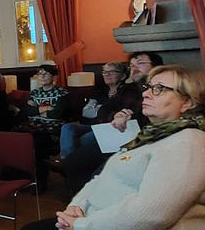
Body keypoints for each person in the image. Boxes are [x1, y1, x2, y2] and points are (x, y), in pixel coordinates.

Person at [17, 65, 205, 230]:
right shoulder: (152, 135)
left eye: (159, 89)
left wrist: (80, 227)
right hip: (106, 220)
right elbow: (102, 179)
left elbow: (148, 216)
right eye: (148, 87)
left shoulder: (188, 143)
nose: (145, 93)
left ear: (188, 102)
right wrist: (75, 207)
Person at [62, 52, 163, 193]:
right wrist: (116, 115)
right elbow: (103, 110)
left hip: (136, 141)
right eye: (132, 65)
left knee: (96, 174)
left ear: (156, 67)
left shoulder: (160, 91)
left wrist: (128, 117)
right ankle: (78, 202)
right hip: (116, 134)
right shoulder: (128, 89)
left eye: (140, 64)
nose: (134, 68)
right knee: (70, 162)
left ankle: (89, 200)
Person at [58, 62, 131, 159]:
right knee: (67, 127)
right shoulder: (99, 92)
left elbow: (121, 113)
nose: (107, 75)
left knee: (82, 140)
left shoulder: (126, 92)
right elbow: (87, 112)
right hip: (93, 126)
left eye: (112, 72)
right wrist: (104, 111)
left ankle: (71, 163)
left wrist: (100, 109)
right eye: (105, 72)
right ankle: (66, 161)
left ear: (122, 76)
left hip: (112, 127)